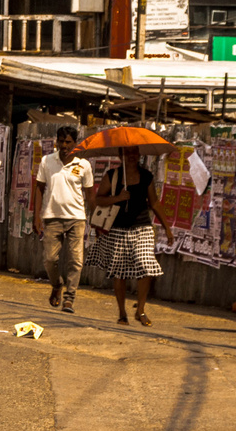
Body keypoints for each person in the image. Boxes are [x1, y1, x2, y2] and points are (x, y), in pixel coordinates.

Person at [86, 146, 173, 327]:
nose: (132, 156)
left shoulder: (146, 176)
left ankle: (140, 310)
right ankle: (122, 313)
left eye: (135, 152)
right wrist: (118, 198)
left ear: (139, 154)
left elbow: (154, 203)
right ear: (120, 156)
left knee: (146, 265)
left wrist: (167, 228)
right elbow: (99, 199)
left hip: (142, 228)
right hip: (118, 229)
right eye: (127, 153)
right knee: (120, 272)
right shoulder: (113, 176)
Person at [32, 125, 96, 315]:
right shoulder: (47, 161)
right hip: (52, 217)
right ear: (56, 142)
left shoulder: (83, 165)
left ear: (75, 143)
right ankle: (56, 284)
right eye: (61, 141)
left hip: (77, 218)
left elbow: (90, 194)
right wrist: (36, 216)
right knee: (50, 259)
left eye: (68, 142)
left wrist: (97, 220)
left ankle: (69, 299)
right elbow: (39, 188)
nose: (64, 145)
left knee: (76, 261)